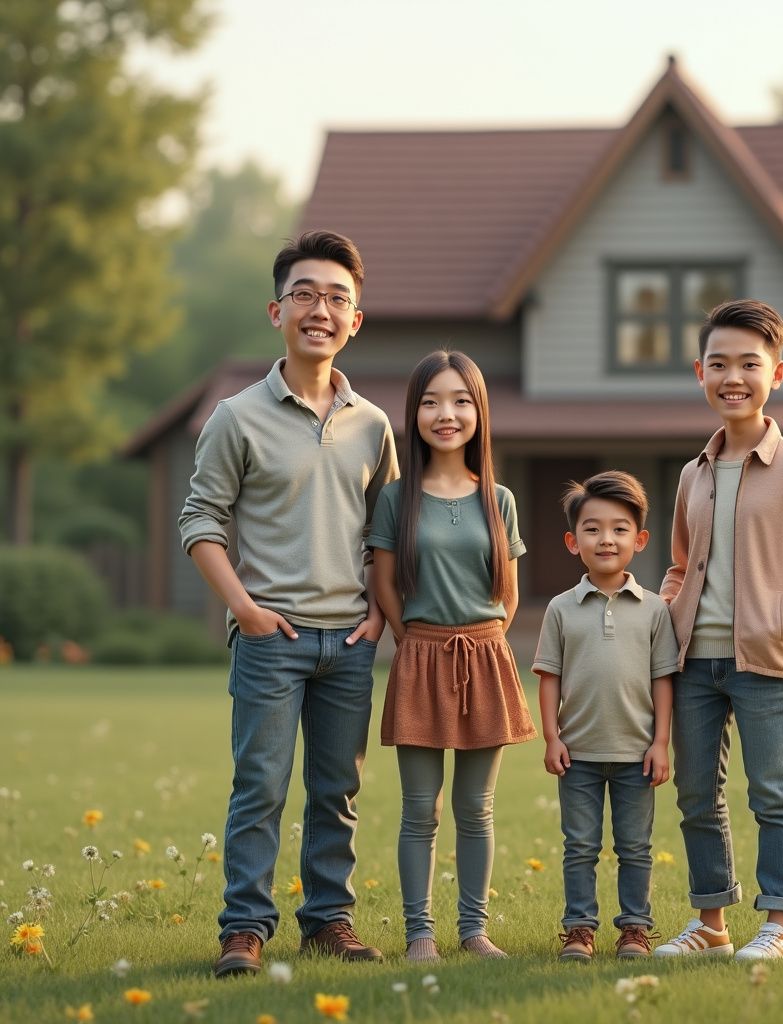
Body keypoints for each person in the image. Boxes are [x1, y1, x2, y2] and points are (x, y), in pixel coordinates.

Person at [178, 230, 398, 977]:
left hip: (350, 643)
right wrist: (243, 608)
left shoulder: (374, 424)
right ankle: (244, 928)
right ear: (277, 310)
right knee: (261, 788)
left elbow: (386, 532)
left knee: (338, 790)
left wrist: (377, 615)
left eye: (338, 298)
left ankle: (328, 921)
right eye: (305, 294)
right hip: (269, 637)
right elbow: (200, 520)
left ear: (355, 320)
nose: (321, 309)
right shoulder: (236, 417)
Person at [653, 299, 783, 962]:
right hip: (693, 665)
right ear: (699, 373)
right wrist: (661, 618)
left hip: (767, 660)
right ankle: (710, 925)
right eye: (718, 364)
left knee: (773, 791)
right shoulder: (692, 474)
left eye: (748, 364)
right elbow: (680, 568)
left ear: (778, 373)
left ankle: (781, 928)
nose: (731, 376)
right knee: (694, 797)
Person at [369, 349, 536, 962]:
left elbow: (509, 593)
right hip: (419, 656)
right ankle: (420, 935)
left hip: (486, 659)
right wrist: (409, 643)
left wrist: (484, 644)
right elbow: (384, 583)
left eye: (461, 401)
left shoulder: (500, 498)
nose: (447, 414)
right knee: (420, 809)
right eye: (432, 402)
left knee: (476, 807)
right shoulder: (395, 498)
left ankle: (474, 932)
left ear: (479, 412)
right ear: (413, 413)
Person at [533, 471, 678, 962]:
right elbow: (548, 675)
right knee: (580, 847)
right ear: (573, 542)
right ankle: (579, 929)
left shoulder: (656, 610)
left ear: (639, 540)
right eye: (592, 529)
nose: (606, 539)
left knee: (635, 847)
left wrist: (661, 742)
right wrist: (552, 738)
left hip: (637, 754)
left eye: (619, 529)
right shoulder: (560, 609)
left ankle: (635, 928)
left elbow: (663, 679)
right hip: (578, 754)